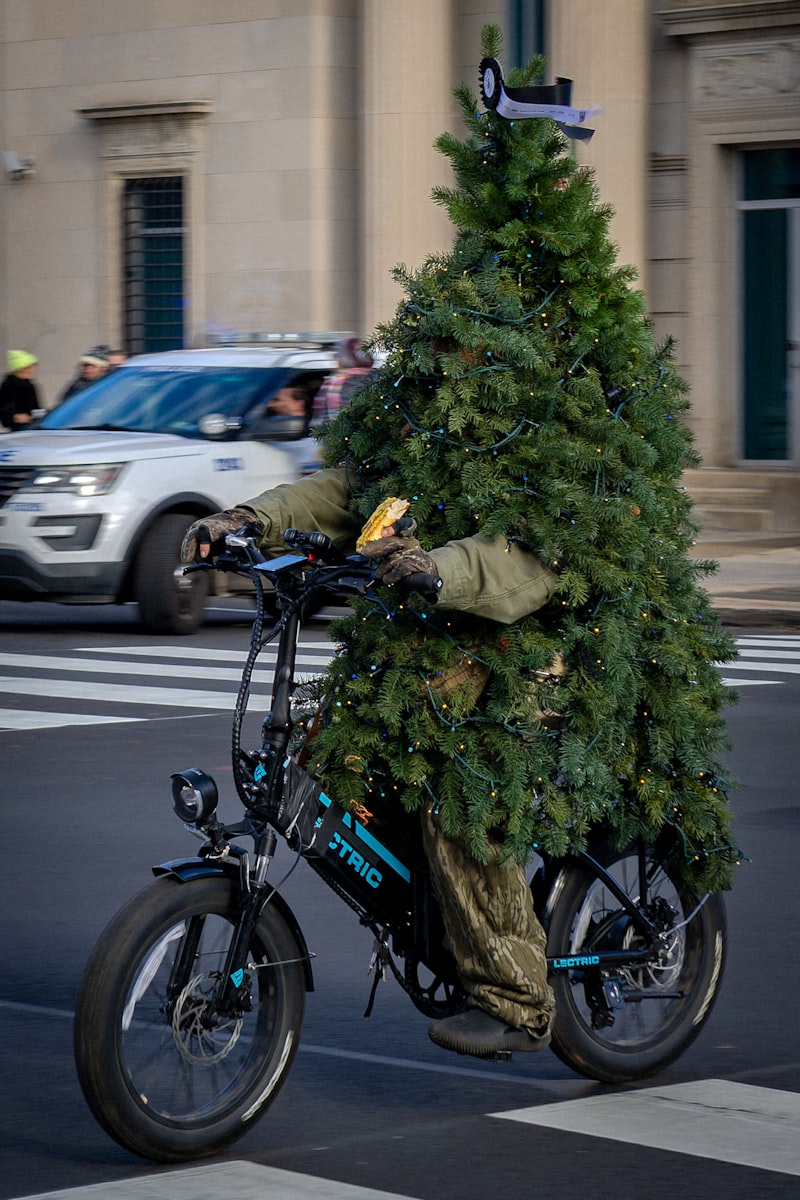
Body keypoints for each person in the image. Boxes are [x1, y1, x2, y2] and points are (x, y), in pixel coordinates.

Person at [181, 466, 557, 1059]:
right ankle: (442, 920)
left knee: (463, 797)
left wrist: (438, 567)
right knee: (338, 753)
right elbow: (348, 488)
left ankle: (515, 999)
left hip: (527, 652)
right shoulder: (415, 422)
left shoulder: (525, 425)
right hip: (434, 647)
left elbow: (531, 551)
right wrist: (249, 520)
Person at [310, 337, 376, 429]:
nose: (337, 361)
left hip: (344, 432)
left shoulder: (340, 381)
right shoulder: (378, 376)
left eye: (339, 356)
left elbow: (332, 416)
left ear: (346, 357)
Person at [0, 349, 41, 431]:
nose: (32, 370)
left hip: (32, 427)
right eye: (28, 368)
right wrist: (14, 417)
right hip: (20, 429)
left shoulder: (29, 385)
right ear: (20, 369)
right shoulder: (10, 386)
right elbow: (4, 409)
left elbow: (36, 408)